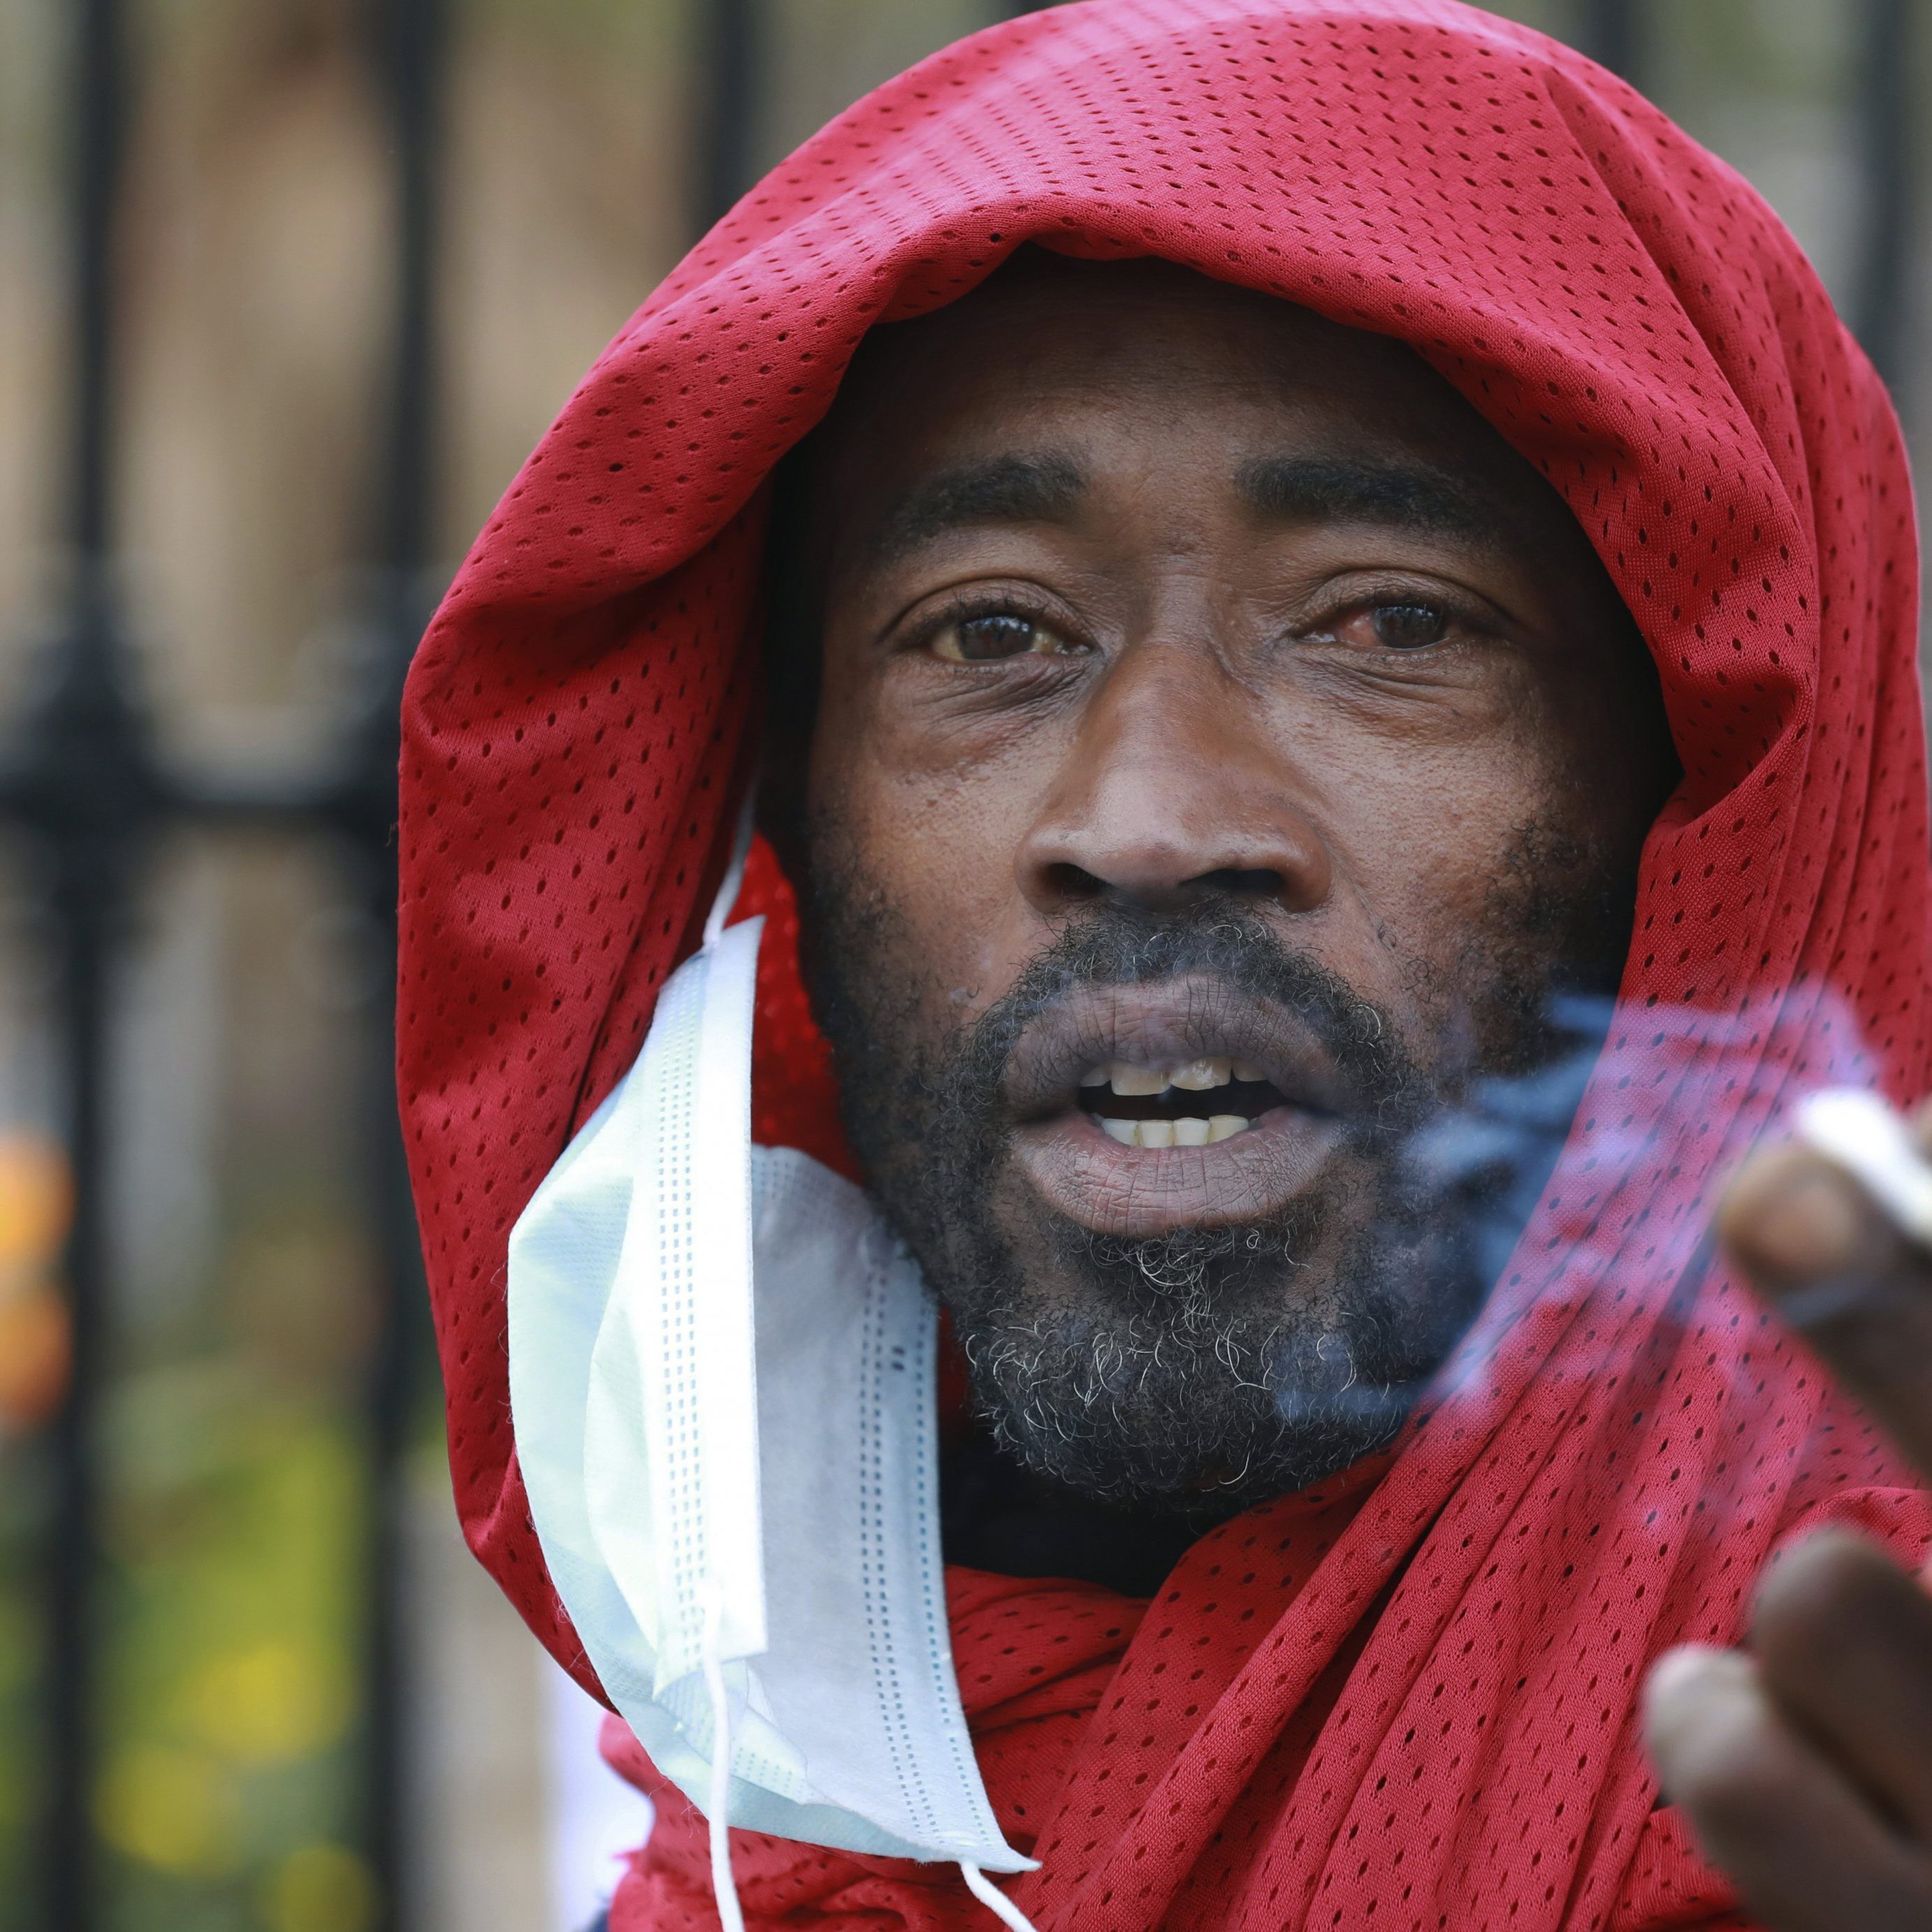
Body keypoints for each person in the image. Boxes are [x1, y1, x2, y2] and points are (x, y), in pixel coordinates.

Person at [396, 3, 1932, 1928]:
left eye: (1388, 622)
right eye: (988, 636)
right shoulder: (783, 1803)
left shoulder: (1864, 1727)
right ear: (788, 827)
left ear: (1702, 803)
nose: (1148, 816)